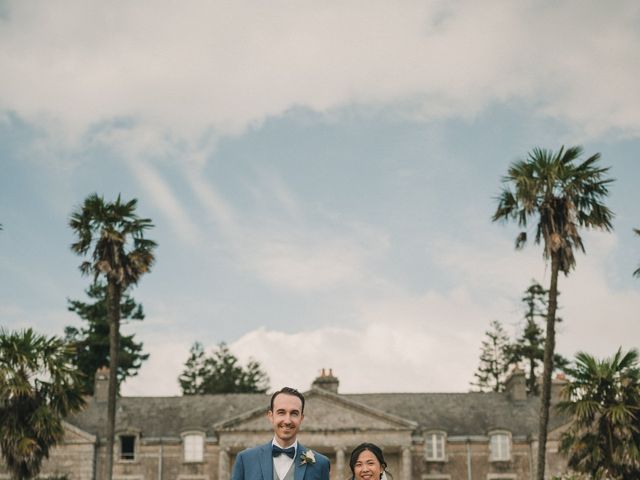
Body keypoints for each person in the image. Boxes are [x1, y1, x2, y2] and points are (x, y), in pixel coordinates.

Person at [231, 387, 330, 480]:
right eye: (281, 412)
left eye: (294, 413)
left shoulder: (321, 463)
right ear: (271, 416)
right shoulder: (245, 459)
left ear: (301, 418)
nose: (287, 421)